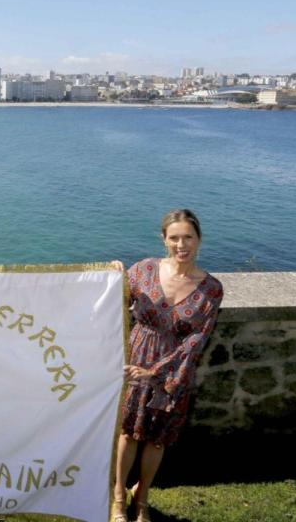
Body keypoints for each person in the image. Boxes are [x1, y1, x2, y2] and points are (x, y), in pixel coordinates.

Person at [111, 209, 224, 522]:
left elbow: (197, 340)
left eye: (188, 237)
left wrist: (156, 372)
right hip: (135, 359)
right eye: (174, 238)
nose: (181, 244)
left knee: (157, 438)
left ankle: (142, 497)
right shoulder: (143, 270)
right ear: (164, 239)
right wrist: (113, 275)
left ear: (199, 239)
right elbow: (114, 301)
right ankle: (118, 497)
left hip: (175, 370)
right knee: (128, 433)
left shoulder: (211, 289)